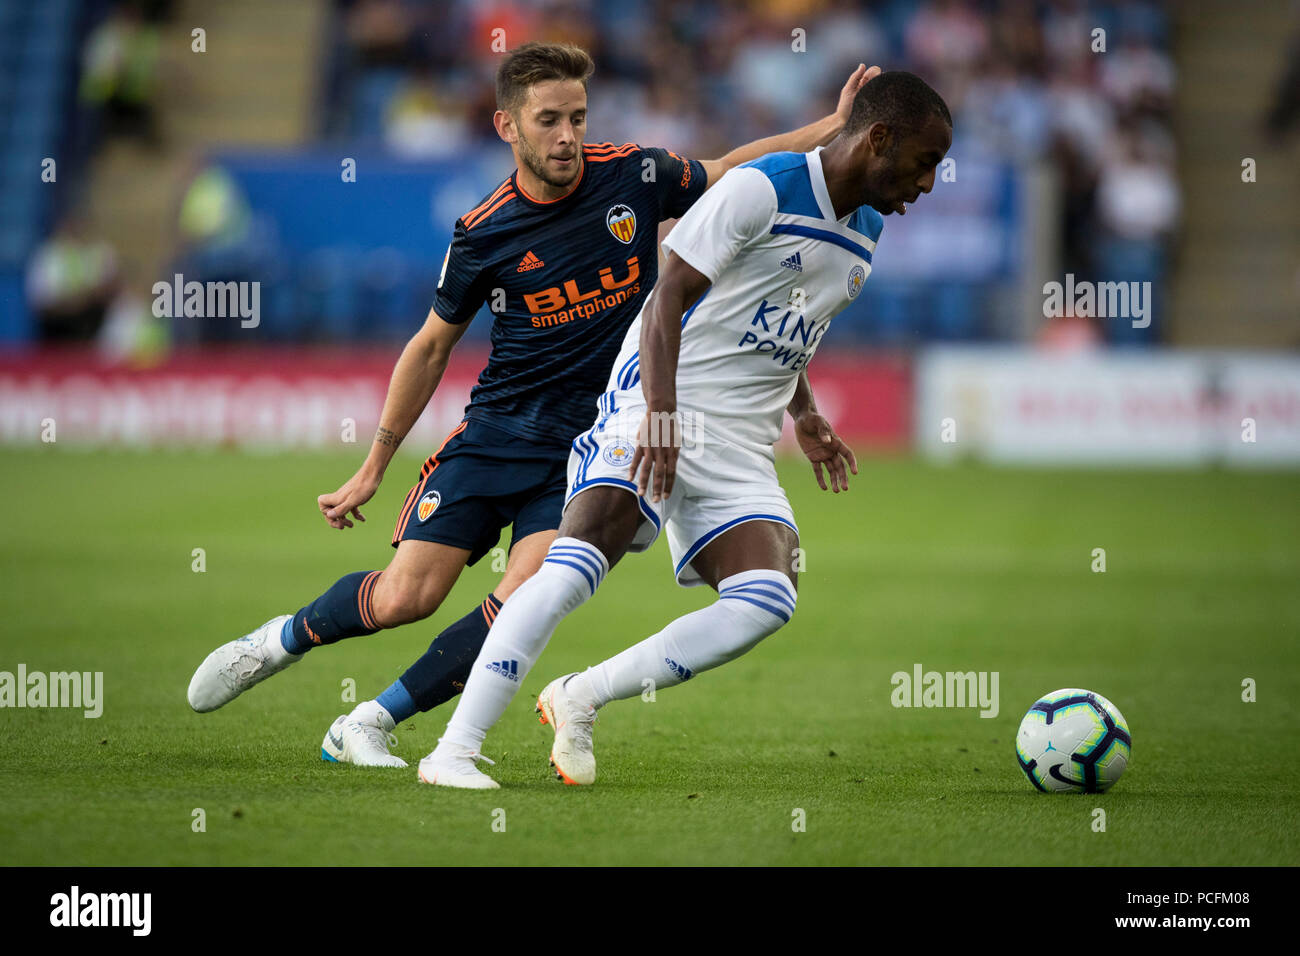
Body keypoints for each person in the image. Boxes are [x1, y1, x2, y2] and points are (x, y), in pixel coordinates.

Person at [185, 42, 880, 770]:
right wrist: (372, 466)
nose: (567, 135)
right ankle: (279, 641)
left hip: (588, 440)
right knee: (404, 598)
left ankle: (370, 721)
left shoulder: (635, 176)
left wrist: (829, 129)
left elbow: (732, 166)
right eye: (548, 120)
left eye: (577, 117)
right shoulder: (484, 230)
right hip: (496, 433)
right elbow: (428, 349)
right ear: (506, 126)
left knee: (525, 596)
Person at [418, 71, 952, 789]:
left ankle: (580, 695)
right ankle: (453, 751)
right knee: (574, 570)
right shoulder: (763, 189)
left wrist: (807, 413)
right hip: (655, 403)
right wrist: (662, 419)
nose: (927, 182)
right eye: (924, 161)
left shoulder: (867, 234)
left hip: (740, 442)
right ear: (879, 138)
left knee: (768, 596)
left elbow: (778, 328)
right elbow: (669, 294)